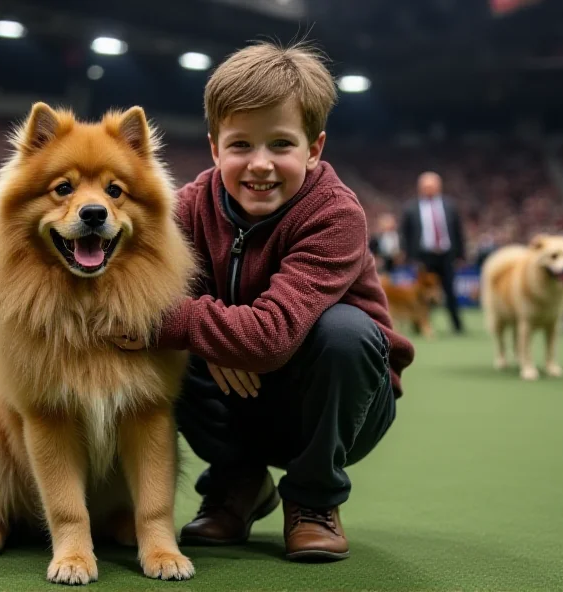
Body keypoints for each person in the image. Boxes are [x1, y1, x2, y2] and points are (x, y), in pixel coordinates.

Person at [111, 42, 415, 562]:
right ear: (214, 149)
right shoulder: (187, 206)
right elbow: (135, 291)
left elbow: (268, 338)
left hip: (342, 404)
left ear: (314, 148)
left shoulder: (336, 214)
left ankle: (313, 498)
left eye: (281, 144)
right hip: (240, 398)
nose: (260, 164)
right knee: (163, 347)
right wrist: (214, 343)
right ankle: (239, 483)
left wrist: (196, 330)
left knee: (345, 332)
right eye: (240, 145)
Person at [400, 172, 465, 333]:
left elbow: (458, 232)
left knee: (450, 290)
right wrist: (409, 256)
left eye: (432, 186)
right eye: (426, 186)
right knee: (420, 295)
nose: (429, 189)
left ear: (439, 187)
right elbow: (405, 234)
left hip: (446, 254)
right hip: (424, 257)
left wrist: (461, 255)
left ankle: (457, 325)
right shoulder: (411, 207)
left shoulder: (450, 206)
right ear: (420, 188)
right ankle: (419, 325)